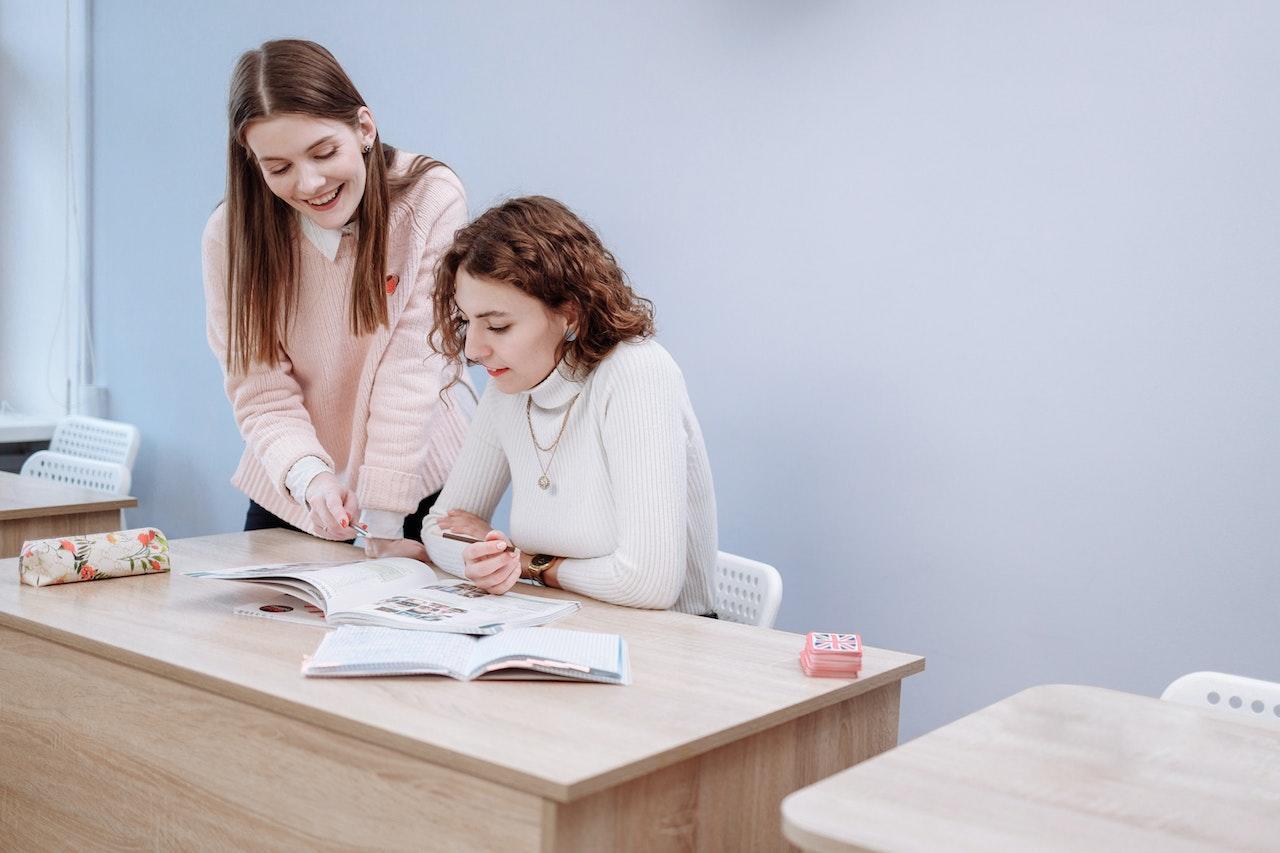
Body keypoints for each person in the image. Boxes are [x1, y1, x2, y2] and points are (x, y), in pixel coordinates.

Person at [202, 39, 470, 556]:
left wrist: (386, 519)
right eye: (277, 168)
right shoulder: (230, 236)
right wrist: (310, 479)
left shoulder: (429, 199)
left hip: (413, 480)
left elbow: (412, 369)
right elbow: (260, 389)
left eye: (324, 152)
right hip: (296, 486)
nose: (310, 183)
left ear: (364, 129)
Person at [420, 196, 717, 614]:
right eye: (468, 322)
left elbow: (650, 585)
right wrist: (481, 562)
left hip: (669, 646)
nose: (473, 349)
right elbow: (439, 526)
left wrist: (524, 564)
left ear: (570, 313)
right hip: (561, 625)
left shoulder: (636, 373)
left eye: (498, 325)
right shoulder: (510, 384)